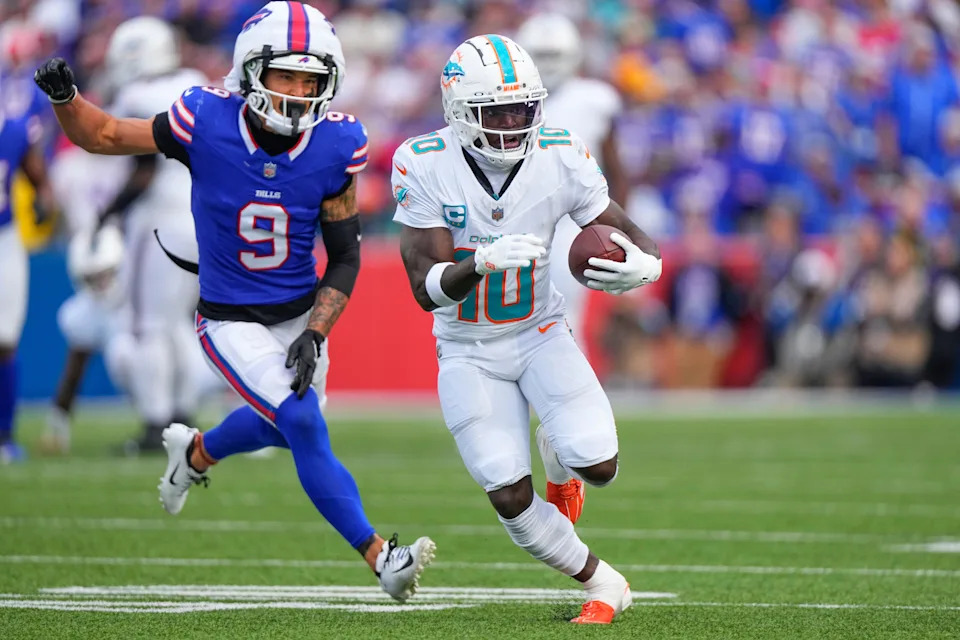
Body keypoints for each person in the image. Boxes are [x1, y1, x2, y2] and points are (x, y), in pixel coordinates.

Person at [35, 1, 434, 602]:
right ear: (252, 71)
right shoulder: (205, 120)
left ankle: (194, 452)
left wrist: (316, 331)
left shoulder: (337, 144)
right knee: (300, 421)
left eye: (311, 78)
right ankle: (381, 557)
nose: (300, 92)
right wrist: (67, 98)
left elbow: (346, 255)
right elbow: (107, 134)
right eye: (286, 76)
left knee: (284, 430)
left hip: (299, 314)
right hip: (228, 317)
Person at [392, 35, 661, 624]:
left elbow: (623, 228)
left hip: (540, 330)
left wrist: (647, 264)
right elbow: (423, 287)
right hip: (467, 348)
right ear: (462, 113)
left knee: (600, 465)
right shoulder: (422, 161)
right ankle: (607, 583)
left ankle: (558, 459)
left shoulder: (560, 151)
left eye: (523, 109)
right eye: (499, 112)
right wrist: (479, 263)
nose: (515, 125)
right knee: (507, 493)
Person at [47, 17, 214, 455]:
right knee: (177, 325)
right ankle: (183, 419)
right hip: (201, 219)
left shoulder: (140, 94)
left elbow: (144, 171)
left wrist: (107, 215)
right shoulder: (195, 82)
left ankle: (156, 427)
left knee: (145, 327)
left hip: (159, 220)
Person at [515, 13, 628, 345]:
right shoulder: (508, 99)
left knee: (566, 316)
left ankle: (570, 390)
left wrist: (618, 229)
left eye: (554, 55)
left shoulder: (596, 100)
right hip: (516, 216)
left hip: (572, 220)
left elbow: (617, 171)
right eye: (542, 55)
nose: (548, 64)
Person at [0, 79, 56, 464]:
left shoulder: (14, 128)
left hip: (4, 236)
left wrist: (44, 199)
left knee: (4, 339)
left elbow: (38, 177)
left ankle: (4, 435)